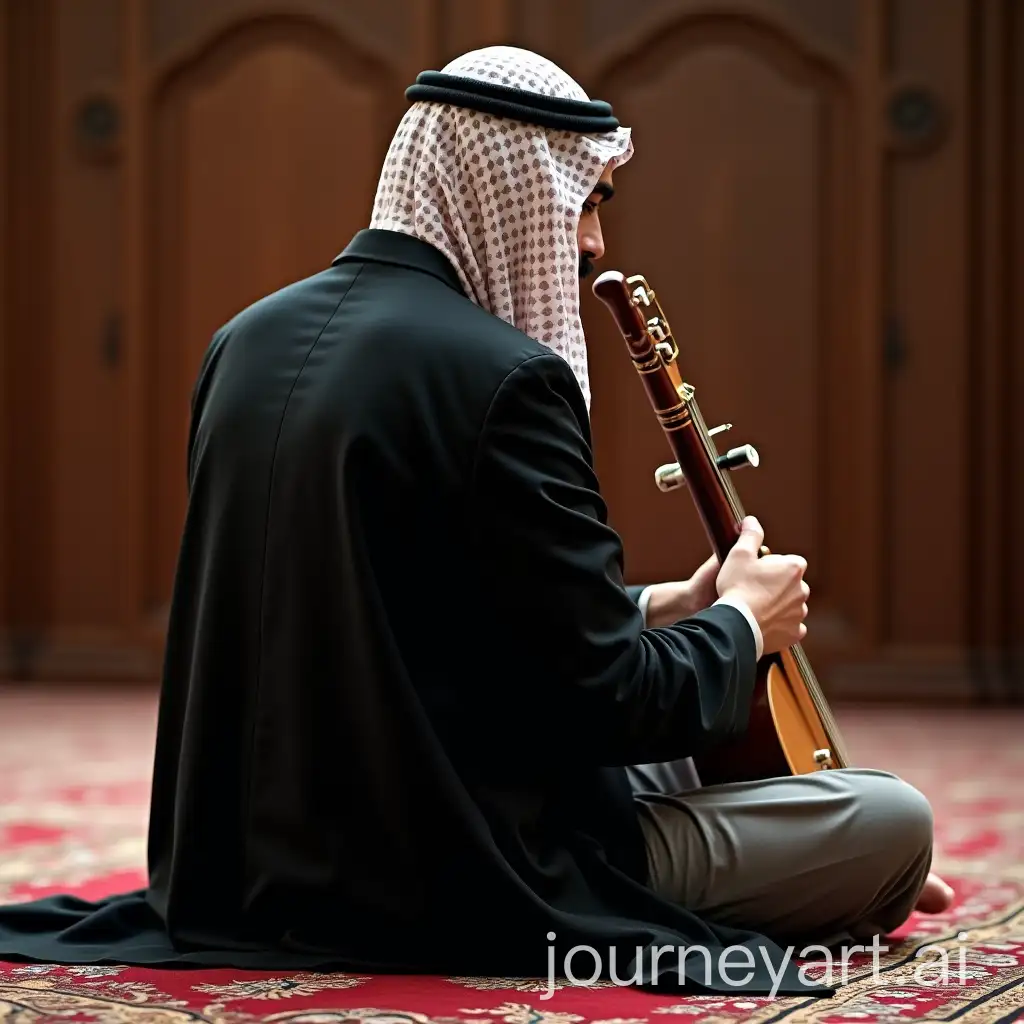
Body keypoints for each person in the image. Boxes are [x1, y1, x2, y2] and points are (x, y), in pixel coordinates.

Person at [0, 45, 952, 998]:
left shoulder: (243, 340)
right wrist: (742, 624)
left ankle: (814, 854)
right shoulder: (507, 377)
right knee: (889, 818)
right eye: (585, 202)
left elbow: (411, 613)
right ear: (516, 189)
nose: (593, 245)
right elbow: (608, 702)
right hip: (454, 870)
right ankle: (846, 866)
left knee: (739, 756)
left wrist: (668, 605)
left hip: (249, 865)